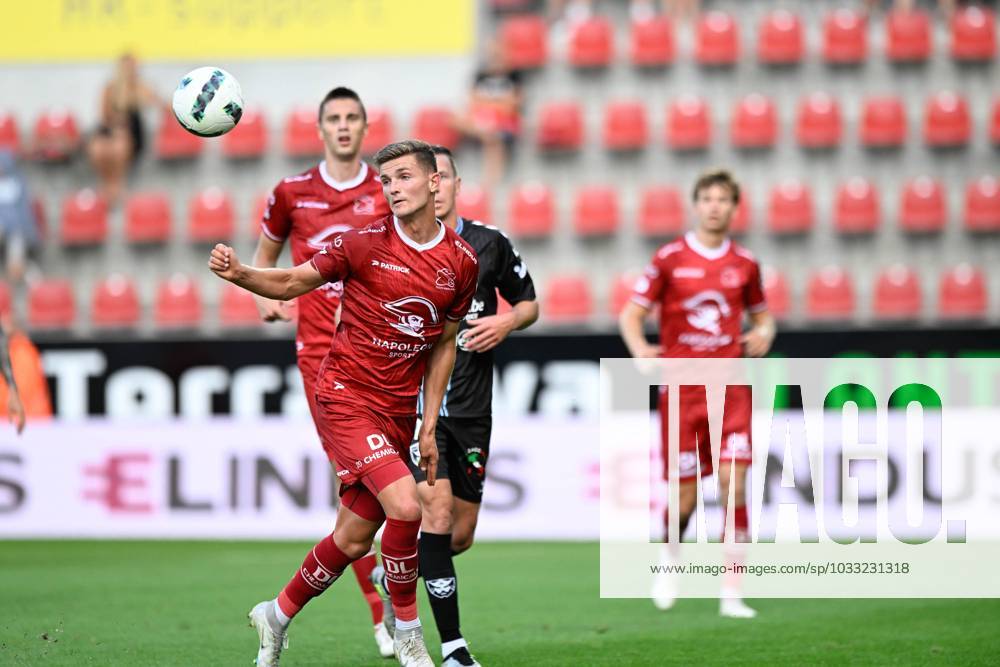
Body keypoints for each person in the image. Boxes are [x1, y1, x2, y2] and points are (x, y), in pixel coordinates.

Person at [209, 139, 478, 667]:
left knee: (354, 539)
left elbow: (444, 343)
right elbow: (291, 280)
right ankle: (408, 633)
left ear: (434, 182)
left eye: (403, 177)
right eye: (386, 180)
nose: (393, 187)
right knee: (407, 505)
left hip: (399, 412)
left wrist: (427, 423)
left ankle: (277, 614)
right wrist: (241, 274)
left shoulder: (460, 262)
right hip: (345, 396)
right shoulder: (362, 244)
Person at [250, 85, 394, 658]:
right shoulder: (291, 193)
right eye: (333, 118)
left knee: (387, 488)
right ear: (319, 129)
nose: (342, 126)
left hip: (384, 356)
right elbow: (264, 259)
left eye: (352, 117)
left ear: (365, 126)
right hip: (322, 360)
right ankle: (384, 616)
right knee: (357, 484)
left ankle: (382, 600)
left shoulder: (384, 190)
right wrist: (263, 297)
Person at [380, 145, 537, 667]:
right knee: (438, 512)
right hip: (418, 413)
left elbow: (530, 303)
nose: (438, 185)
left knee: (457, 536)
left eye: (445, 176)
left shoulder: (489, 244)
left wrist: (507, 320)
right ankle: (451, 648)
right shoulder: (396, 248)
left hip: (473, 410)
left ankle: (394, 572)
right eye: (433, 177)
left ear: (452, 183)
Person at [618, 169, 775, 619]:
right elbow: (631, 315)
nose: (713, 206)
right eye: (706, 198)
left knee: (732, 483)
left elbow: (764, 317)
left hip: (731, 390)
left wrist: (764, 332)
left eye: (722, 199)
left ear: (733, 207)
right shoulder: (669, 258)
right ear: (696, 204)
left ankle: (731, 593)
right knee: (684, 497)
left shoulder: (745, 263)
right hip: (682, 392)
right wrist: (641, 352)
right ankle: (670, 561)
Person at [86, 53, 161, 206]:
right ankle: (106, 183)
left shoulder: (141, 87)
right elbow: (104, 116)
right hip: (110, 129)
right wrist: (115, 124)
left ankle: (118, 184)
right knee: (97, 148)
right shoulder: (109, 89)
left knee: (120, 145)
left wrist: (137, 98)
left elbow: (159, 104)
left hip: (132, 133)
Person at [453, 40, 522, 189]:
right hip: (482, 119)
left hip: (505, 122)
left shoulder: (514, 76)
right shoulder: (480, 76)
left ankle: (491, 183)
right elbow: (472, 102)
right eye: (492, 54)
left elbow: (512, 106)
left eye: (497, 54)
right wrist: (498, 102)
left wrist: (486, 102)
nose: (494, 57)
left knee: (493, 137)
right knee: (453, 118)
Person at [0, 150, 41, 284]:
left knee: (17, 240)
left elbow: (24, 212)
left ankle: (23, 273)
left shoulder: (18, 183)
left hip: (16, 231)